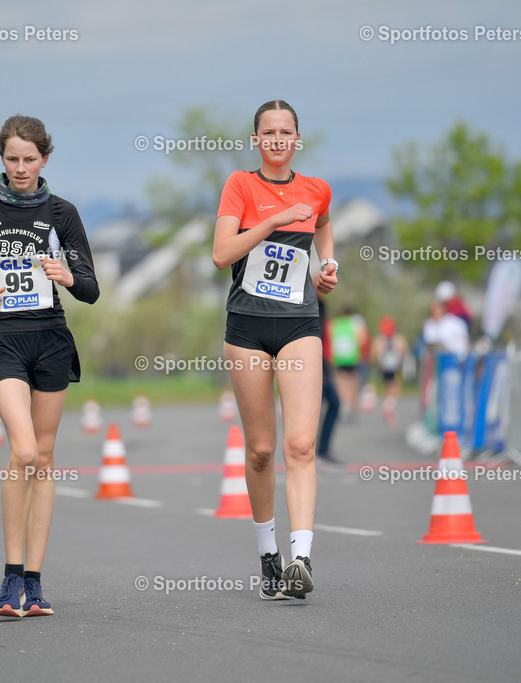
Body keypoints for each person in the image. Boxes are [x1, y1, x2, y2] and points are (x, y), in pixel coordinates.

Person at [0, 114, 99, 617]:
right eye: (12, 159)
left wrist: (67, 276)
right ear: (2, 159)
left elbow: (91, 289)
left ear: (44, 160)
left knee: (45, 456)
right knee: (25, 450)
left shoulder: (62, 213)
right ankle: (10, 578)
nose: (20, 168)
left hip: (50, 339)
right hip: (0, 341)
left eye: (30, 159)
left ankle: (34, 583)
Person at [212, 100, 336, 601]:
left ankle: (301, 559)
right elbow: (221, 254)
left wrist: (328, 265)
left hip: (300, 323)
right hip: (247, 327)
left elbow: (322, 225)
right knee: (261, 450)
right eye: (269, 132)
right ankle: (269, 554)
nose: (278, 139)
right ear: (257, 140)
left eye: (287, 132)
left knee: (300, 445)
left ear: (297, 138)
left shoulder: (317, 189)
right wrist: (274, 221)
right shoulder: (240, 185)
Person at [372, 314, 409, 428]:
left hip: (384, 367)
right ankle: (389, 408)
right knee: (394, 387)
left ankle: (387, 408)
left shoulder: (380, 339)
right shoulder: (398, 338)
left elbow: (373, 354)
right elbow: (404, 350)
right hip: (394, 367)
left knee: (387, 387)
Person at [316, 295, 340, 462]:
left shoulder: (321, 304)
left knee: (333, 403)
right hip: (313, 365)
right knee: (332, 403)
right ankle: (318, 449)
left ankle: (322, 448)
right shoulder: (309, 301)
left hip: (322, 365)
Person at [331, 308, 363, 421]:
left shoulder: (336, 324)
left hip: (339, 358)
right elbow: (362, 339)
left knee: (340, 383)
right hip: (352, 358)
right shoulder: (355, 323)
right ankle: (350, 405)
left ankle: (343, 403)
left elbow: (331, 339)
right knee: (352, 383)